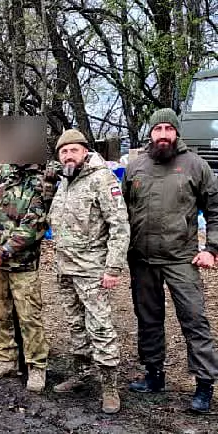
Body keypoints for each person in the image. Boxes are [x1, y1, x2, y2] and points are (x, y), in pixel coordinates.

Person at [123, 108, 218, 413]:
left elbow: (215, 210)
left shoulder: (196, 165)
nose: (163, 134)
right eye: (158, 129)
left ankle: (204, 384)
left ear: (177, 132)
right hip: (142, 258)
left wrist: (211, 248)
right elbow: (120, 213)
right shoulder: (135, 167)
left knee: (194, 319)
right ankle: (154, 375)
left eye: (168, 129)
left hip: (182, 258)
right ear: (150, 133)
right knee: (148, 319)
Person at [48, 129, 129, 414]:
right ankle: (81, 374)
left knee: (100, 327)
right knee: (75, 325)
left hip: (93, 271)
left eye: (74, 150)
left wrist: (113, 267)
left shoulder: (101, 179)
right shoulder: (65, 181)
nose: (68, 155)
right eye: (64, 151)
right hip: (65, 268)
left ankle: (109, 386)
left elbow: (119, 225)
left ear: (85, 151)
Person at [0, 163, 50, 393]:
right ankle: (6, 359)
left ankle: (36, 366)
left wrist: (3, 251)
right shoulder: (3, 172)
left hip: (22, 264)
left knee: (29, 317)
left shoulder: (42, 180)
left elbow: (34, 226)